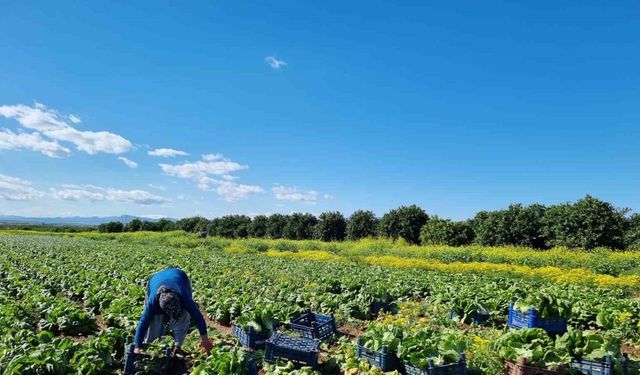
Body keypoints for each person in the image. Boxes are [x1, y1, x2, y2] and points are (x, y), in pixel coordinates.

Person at [133, 268, 213, 353]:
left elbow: (198, 317)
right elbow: (143, 323)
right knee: (155, 322)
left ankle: (177, 347)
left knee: (184, 316)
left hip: (180, 277)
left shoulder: (184, 297)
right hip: (155, 279)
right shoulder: (152, 303)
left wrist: (205, 339)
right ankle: (151, 347)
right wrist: (137, 346)